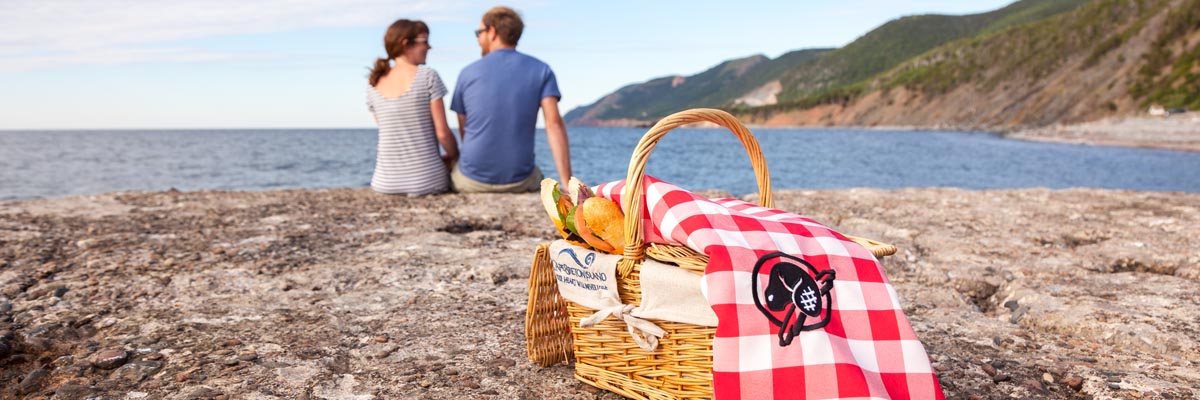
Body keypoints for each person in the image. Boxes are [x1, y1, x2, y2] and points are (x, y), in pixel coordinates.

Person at [449, 6, 572, 192]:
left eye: (479, 32)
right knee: (539, 177)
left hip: (471, 180)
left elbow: (465, 132)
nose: (478, 38)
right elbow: (554, 125)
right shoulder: (542, 70)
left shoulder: (467, 73)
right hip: (520, 181)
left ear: (492, 32)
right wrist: (567, 183)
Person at [366, 19, 459, 196]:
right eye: (424, 42)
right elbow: (443, 134)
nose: (429, 47)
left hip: (384, 183)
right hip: (426, 182)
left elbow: (390, 132)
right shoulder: (427, 76)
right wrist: (456, 157)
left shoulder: (373, 84)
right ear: (405, 44)